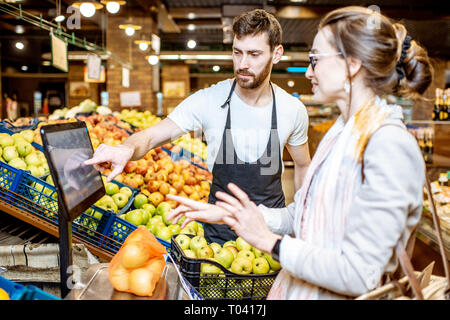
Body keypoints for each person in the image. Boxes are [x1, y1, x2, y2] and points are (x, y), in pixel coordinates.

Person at [167, 6, 433, 299]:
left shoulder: (388, 145)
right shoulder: (343, 132)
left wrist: (271, 243)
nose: (308, 72)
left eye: (315, 60)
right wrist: (231, 214)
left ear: (352, 64)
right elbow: (305, 214)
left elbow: (360, 274)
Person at [85, 9, 311, 245]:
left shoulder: (291, 110)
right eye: (237, 53)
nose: (243, 64)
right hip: (219, 237)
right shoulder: (209, 100)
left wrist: (301, 221)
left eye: (254, 54)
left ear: (277, 54)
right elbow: (152, 136)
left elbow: (303, 164)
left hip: (271, 231)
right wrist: (126, 148)